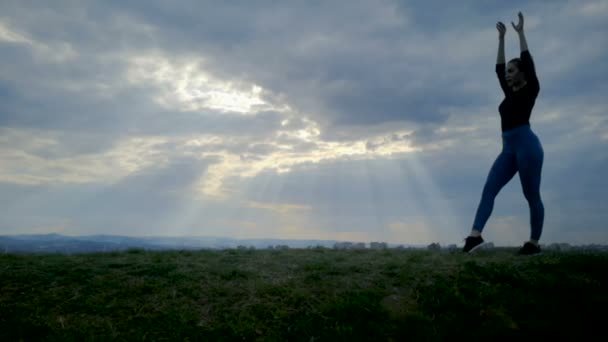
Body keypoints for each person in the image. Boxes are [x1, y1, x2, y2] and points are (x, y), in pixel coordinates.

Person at [463, 12, 545, 255]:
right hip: (508, 149)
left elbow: (528, 62)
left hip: (528, 147)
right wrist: (501, 38)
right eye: (508, 71)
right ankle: (474, 236)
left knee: (531, 195)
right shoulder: (509, 94)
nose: (507, 74)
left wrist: (520, 34)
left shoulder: (531, 90)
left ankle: (533, 243)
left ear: (521, 73)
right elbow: (498, 69)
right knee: (489, 189)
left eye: (512, 70)